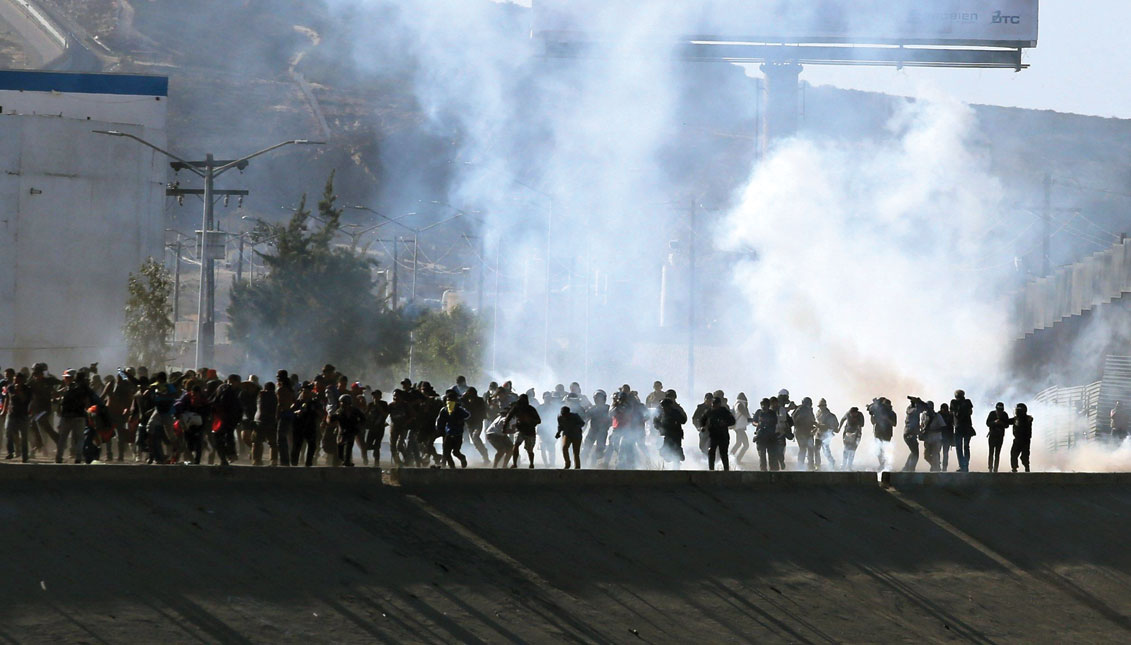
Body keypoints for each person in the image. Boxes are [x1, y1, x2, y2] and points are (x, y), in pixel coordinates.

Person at [56, 369, 97, 464]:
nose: (66, 379)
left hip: (67, 416)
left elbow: (61, 400)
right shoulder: (83, 388)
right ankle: (78, 457)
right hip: (78, 416)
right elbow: (87, 401)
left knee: (63, 438)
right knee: (79, 438)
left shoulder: (68, 388)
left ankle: (59, 457)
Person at [435, 391, 470, 469]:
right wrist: (439, 429)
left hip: (458, 434)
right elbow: (439, 421)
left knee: (456, 452)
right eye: (448, 400)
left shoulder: (459, 409)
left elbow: (467, 415)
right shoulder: (444, 410)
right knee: (446, 453)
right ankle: (452, 467)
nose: (449, 402)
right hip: (448, 433)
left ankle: (462, 458)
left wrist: (460, 418)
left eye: (452, 400)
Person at [505, 393, 541, 469]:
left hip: (530, 431)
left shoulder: (531, 409)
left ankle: (531, 464)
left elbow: (538, 420)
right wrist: (505, 426)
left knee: (529, 450)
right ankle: (515, 464)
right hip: (520, 430)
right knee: (516, 445)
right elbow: (509, 416)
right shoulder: (516, 408)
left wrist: (530, 421)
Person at [700, 396, 736, 471]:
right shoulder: (709, 411)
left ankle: (726, 470)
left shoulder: (724, 411)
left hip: (723, 435)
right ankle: (711, 469)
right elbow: (702, 420)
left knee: (723, 453)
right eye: (713, 404)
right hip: (713, 435)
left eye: (715, 404)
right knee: (711, 451)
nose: (714, 405)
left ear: (719, 404)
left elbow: (732, 421)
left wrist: (725, 423)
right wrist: (702, 427)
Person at [2, 371, 31, 462]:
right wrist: (4, 410)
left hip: (23, 415)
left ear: (23, 381)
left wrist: (19, 391)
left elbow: (24, 400)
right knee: (9, 433)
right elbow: (8, 398)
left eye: (18, 381)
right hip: (12, 414)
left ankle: (25, 455)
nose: (16, 383)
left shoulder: (27, 389)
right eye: (15, 380)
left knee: (24, 436)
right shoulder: (10, 387)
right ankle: (11, 452)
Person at [330, 393, 366, 467]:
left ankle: (347, 461)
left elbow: (363, 418)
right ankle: (343, 460)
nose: (345, 405)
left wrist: (359, 426)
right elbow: (331, 419)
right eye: (343, 403)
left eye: (347, 403)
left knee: (349, 446)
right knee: (340, 449)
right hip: (342, 432)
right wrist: (330, 416)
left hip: (351, 431)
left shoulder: (355, 411)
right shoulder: (339, 411)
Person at [292, 383, 321, 467]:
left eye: (308, 392)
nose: (306, 394)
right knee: (297, 446)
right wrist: (298, 412)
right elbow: (291, 411)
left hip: (310, 427)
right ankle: (294, 463)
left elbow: (321, 413)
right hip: (299, 427)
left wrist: (315, 410)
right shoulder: (298, 402)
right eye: (304, 392)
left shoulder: (314, 403)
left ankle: (308, 463)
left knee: (312, 446)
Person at [654, 396, 688, 469]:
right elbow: (656, 421)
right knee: (664, 451)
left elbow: (683, 420)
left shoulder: (675, 412)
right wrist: (659, 427)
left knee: (676, 450)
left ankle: (676, 465)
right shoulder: (661, 413)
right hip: (667, 435)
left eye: (665, 406)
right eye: (663, 406)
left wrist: (676, 418)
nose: (664, 408)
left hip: (676, 434)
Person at [582, 390, 611, 466]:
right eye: (596, 398)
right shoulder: (592, 409)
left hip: (603, 431)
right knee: (586, 448)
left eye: (600, 398)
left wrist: (607, 425)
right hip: (593, 431)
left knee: (599, 450)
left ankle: (593, 463)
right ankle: (582, 464)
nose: (598, 400)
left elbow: (613, 419)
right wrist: (582, 430)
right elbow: (585, 420)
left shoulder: (609, 409)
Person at [461, 387, 489, 464]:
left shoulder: (479, 400)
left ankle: (485, 456)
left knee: (475, 437)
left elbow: (483, 410)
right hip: (469, 424)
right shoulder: (464, 401)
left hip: (478, 423)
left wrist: (482, 417)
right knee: (475, 441)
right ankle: (485, 455)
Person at [867, 397, 896, 471]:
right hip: (878, 432)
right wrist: (872, 415)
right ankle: (882, 464)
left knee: (885, 449)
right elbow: (873, 422)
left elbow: (894, 423)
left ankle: (884, 464)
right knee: (878, 450)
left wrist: (886, 419)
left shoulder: (892, 413)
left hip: (887, 433)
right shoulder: (879, 412)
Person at [253, 382, 278, 466]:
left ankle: (257, 460)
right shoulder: (275, 396)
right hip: (271, 421)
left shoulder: (260, 394)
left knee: (257, 442)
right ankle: (273, 460)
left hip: (259, 421)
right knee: (273, 443)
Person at [950, 390, 975, 472]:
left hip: (963, 427)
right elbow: (956, 413)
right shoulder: (955, 402)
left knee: (963, 447)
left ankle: (964, 465)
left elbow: (969, 412)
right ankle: (963, 465)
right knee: (963, 447)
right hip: (962, 427)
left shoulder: (966, 402)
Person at [274, 371, 295, 466]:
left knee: (280, 439)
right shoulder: (290, 389)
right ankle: (287, 460)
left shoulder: (281, 390)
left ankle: (284, 461)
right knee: (287, 438)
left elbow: (280, 404)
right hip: (290, 414)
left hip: (283, 415)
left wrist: (276, 416)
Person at [753, 398, 778, 472]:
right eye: (762, 404)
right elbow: (754, 422)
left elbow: (774, 422)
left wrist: (767, 422)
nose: (763, 406)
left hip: (770, 437)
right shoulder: (759, 412)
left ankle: (772, 472)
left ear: (768, 405)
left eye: (765, 404)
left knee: (771, 456)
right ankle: (763, 471)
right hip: (760, 437)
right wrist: (758, 424)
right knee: (762, 456)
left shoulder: (772, 413)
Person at [556, 405, 586, 469]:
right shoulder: (560, 417)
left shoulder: (575, 416)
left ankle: (577, 466)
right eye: (563, 414)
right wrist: (558, 433)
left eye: (566, 414)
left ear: (569, 413)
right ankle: (567, 463)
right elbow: (560, 426)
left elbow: (582, 423)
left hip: (576, 435)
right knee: (564, 447)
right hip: (567, 434)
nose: (564, 416)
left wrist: (576, 427)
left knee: (576, 452)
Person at [793, 397, 817, 471]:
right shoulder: (801, 410)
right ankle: (805, 465)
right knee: (806, 448)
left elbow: (812, 420)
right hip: (802, 432)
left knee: (807, 449)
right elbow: (794, 420)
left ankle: (805, 465)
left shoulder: (802, 410)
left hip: (806, 432)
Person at [903, 396, 927, 472]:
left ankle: (906, 468)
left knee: (913, 452)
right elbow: (923, 408)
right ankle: (910, 469)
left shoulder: (911, 411)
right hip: (909, 434)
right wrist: (919, 401)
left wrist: (918, 401)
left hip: (909, 434)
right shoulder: (913, 411)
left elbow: (923, 408)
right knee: (915, 454)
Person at [921, 401, 945, 472]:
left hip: (936, 438)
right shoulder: (924, 415)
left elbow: (943, 427)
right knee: (926, 456)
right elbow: (922, 424)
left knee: (935, 454)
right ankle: (935, 465)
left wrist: (933, 430)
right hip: (928, 438)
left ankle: (936, 468)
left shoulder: (937, 416)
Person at [814, 399, 838, 470]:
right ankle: (818, 465)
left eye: (822, 406)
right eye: (820, 406)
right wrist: (815, 428)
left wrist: (818, 425)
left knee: (826, 450)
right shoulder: (818, 413)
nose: (821, 407)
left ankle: (831, 461)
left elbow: (830, 426)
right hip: (818, 434)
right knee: (816, 450)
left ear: (825, 406)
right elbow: (819, 423)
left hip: (826, 434)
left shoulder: (829, 415)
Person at [986, 402, 1010, 473]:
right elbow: (987, 423)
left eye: (1001, 410)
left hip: (1000, 436)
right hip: (992, 435)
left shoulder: (1005, 414)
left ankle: (995, 469)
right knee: (991, 452)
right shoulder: (992, 414)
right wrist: (994, 422)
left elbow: (1007, 425)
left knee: (997, 453)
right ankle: (990, 468)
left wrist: (1001, 423)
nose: (999, 411)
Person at [1009, 403, 1033, 473]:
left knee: (1024, 457)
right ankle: (1014, 469)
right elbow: (1008, 421)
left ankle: (1027, 468)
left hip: (1025, 440)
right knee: (1013, 454)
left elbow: (1027, 422)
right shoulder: (1016, 419)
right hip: (1017, 440)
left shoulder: (1027, 419)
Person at [731, 393, 751, 465]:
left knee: (739, 443)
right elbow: (746, 416)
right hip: (739, 428)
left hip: (738, 427)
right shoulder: (740, 405)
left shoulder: (736, 404)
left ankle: (731, 458)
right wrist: (753, 420)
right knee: (746, 445)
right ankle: (735, 459)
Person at [938, 402, 955, 472]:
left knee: (944, 453)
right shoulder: (939, 415)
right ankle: (939, 466)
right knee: (940, 452)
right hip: (941, 436)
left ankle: (944, 467)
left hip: (945, 437)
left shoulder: (948, 415)